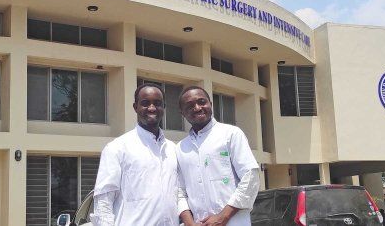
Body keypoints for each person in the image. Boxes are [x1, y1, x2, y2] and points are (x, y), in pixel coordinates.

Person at [91, 83, 180, 226]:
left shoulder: (173, 149)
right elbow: (104, 199)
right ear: (135, 107)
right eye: (145, 103)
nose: (151, 108)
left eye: (157, 103)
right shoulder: (118, 148)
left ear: (164, 107)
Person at [177, 86, 260, 226]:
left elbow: (250, 177)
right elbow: (180, 191)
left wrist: (223, 217)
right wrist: (190, 223)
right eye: (190, 106)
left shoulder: (230, 134)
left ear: (211, 103)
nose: (197, 108)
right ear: (182, 113)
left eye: (201, 102)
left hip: (234, 222)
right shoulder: (180, 148)